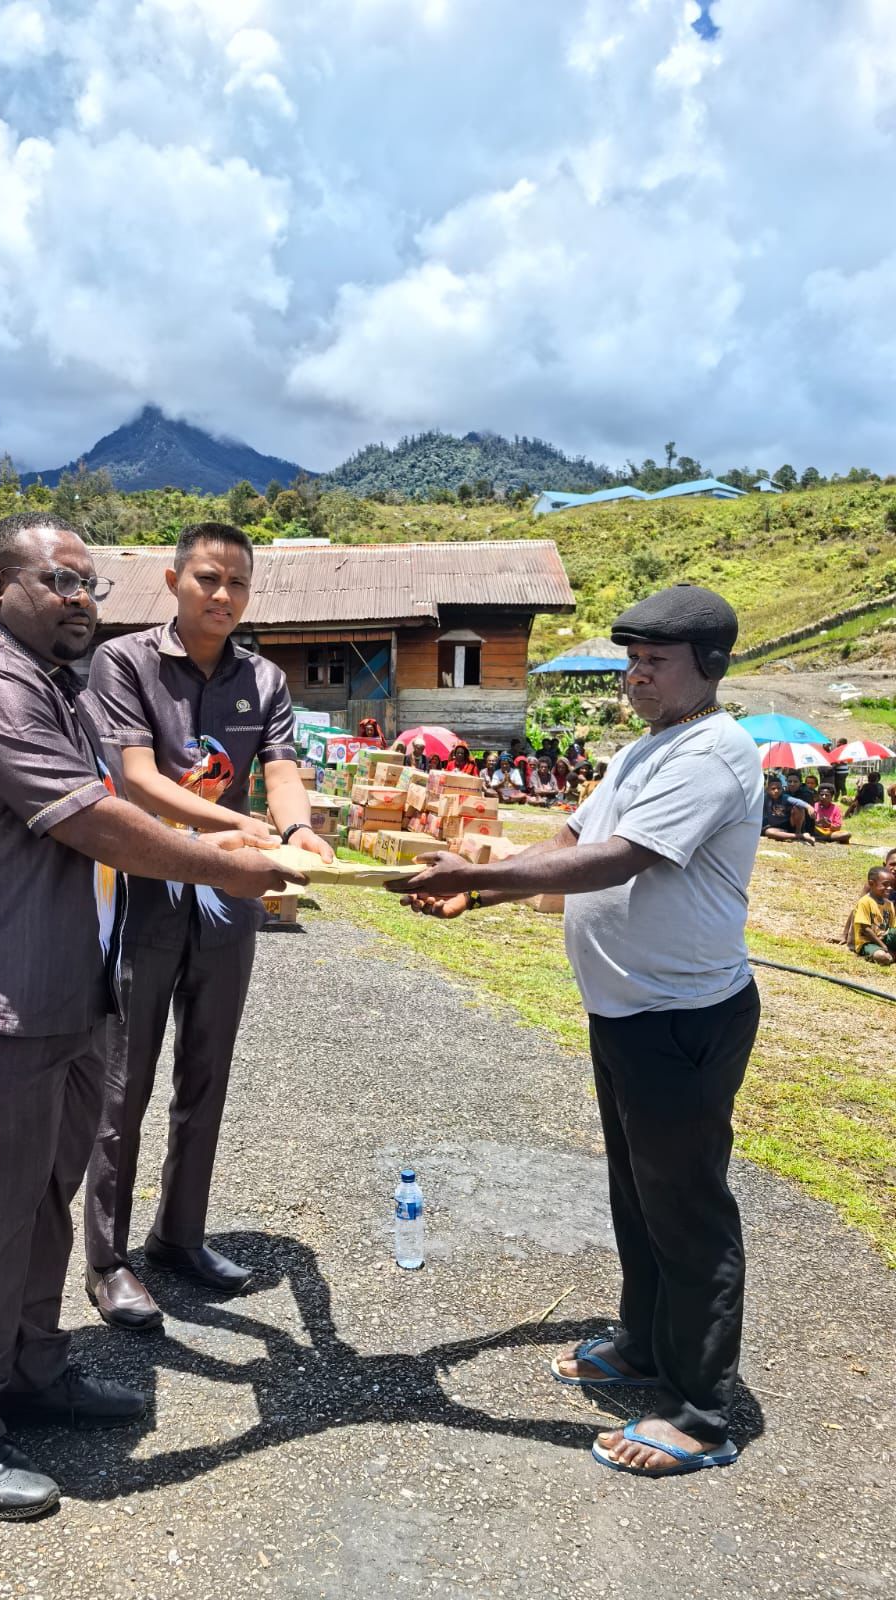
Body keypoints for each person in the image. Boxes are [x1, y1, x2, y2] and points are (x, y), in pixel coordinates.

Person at [0, 512, 301, 1521]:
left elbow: (132, 789)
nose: (80, 598)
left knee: (43, 1201)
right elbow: (100, 819)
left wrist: (254, 827)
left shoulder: (59, 684)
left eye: (89, 584)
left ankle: (34, 1371)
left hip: (65, 991)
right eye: (57, 582)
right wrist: (239, 863)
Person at [394, 584, 762, 1478]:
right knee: (637, 1195)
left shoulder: (715, 753)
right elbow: (569, 836)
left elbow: (619, 858)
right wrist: (476, 886)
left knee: (687, 1209)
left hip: (682, 1017)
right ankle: (644, 1348)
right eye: (631, 660)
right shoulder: (647, 750)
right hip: (629, 1014)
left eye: (656, 661)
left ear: (709, 666)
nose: (637, 676)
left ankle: (704, 1412)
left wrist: (493, 882)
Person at [83, 521, 335, 1333]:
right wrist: (236, 827)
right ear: (171, 580)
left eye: (237, 584)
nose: (222, 595)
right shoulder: (122, 663)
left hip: (227, 901)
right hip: (145, 888)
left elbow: (283, 773)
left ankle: (179, 1236)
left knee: (206, 1074)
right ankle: (108, 1260)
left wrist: (293, 831)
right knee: (124, 1082)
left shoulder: (263, 680)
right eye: (206, 579)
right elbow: (138, 778)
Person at [850, 867, 896, 965]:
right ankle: (889, 954)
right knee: (882, 957)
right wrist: (884, 946)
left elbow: (892, 928)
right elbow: (865, 929)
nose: (889, 888)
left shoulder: (889, 904)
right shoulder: (865, 902)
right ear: (871, 883)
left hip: (885, 938)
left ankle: (891, 954)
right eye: (885, 884)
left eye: (891, 885)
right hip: (867, 942)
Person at [761, 776, 814, 846]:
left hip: (787, 826)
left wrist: (809, 807)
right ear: (767, 789)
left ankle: (797, 832)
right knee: (769, 832)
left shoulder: (785, 797)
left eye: (778, 788)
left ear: (782, 789)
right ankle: (801, 836)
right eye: (773, 789)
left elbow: (798, 802)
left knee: (799, 808)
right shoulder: (764, 798)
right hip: (773, 827)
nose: (776, 791)